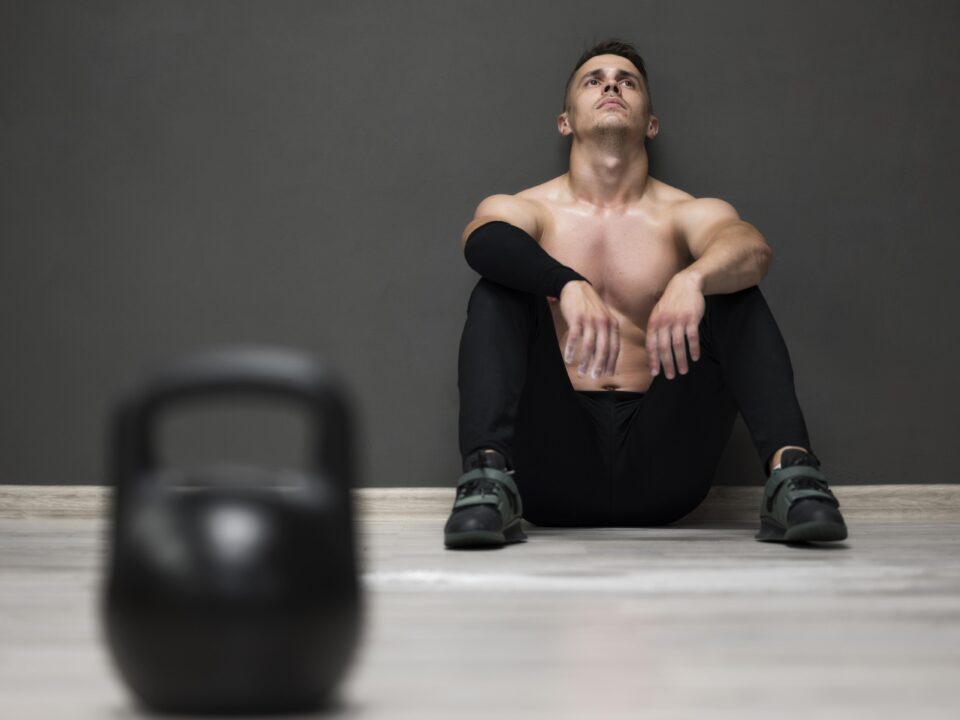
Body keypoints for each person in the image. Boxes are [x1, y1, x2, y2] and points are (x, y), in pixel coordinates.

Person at [445, 39, 846, 549]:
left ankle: (795, 476)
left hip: (665, 466)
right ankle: (486, 478)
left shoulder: (685, 213)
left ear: (651, 124)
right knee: (499, 285)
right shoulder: (529, 208)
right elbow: (483, 241)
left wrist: (693, 279)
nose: (611, 85)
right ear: (565, 121)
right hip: (548, 467)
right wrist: (565, 282)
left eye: (627, 81)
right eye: (594, 80)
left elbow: (751, 249)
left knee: (730, 283)